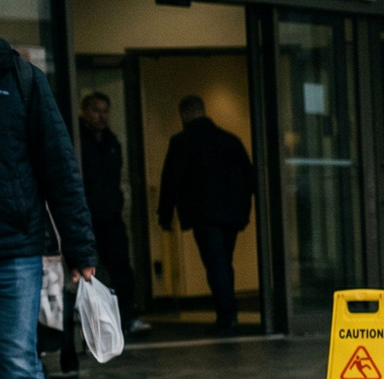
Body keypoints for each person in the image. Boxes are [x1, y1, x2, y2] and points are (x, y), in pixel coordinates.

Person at [1, 37, 96, 379]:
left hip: (12, 249)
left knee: (15, 359)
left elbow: (60, 168)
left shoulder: (21, 81)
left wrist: (80, 248)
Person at [157, 94, 253, 333]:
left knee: (216, 264)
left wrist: (165, 216)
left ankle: (227, 315)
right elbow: (248, 179)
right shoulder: (230, 140)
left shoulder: (181, 141)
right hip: (231, 215)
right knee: (224, 263)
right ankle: (228, 313)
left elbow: (171, 181)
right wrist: (243, 213)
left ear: (185, 114)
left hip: (203, 215)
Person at [78, 92, 145, 334]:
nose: (101, 116)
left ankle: (126, 317)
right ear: (84, 111)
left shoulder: (111, 142)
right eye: (96, 110)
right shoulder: (77, 141)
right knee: (85, 271)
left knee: (121, 269)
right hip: (84, 217)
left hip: (110, 216)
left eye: (105, 110)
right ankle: (90, 323)